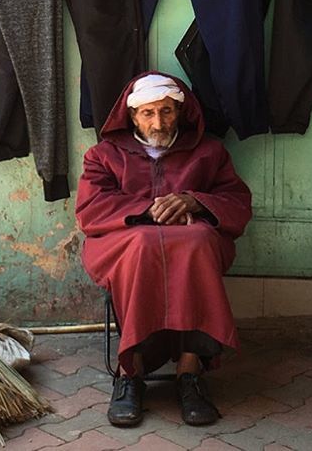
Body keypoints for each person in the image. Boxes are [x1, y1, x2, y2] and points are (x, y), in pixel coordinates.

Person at [75, 71, 253, 427]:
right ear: (132, 116)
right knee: (142, 243)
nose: (159, 122)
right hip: (124, 243)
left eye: (167, 111)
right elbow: (90, 209)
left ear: (180, 111)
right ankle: (131, 373)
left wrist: (194, 201)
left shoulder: (208, 153)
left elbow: (236, 201)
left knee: (198, 241)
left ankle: (190, 372)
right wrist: (146, 212)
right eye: (148, 113)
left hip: (193, 242)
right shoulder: (103, 155)